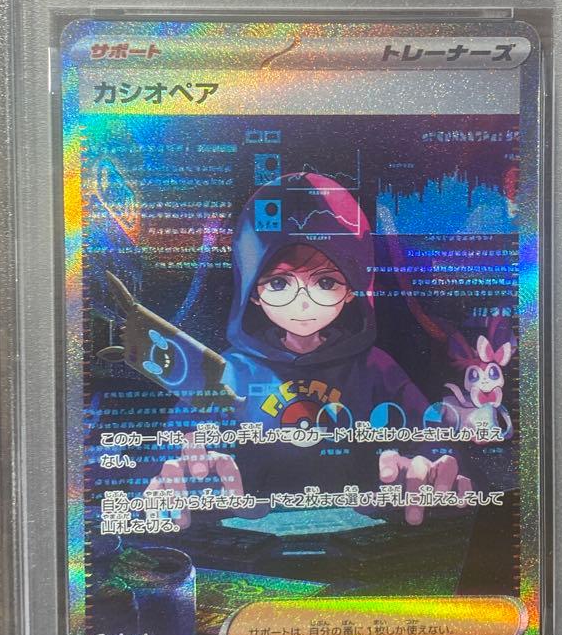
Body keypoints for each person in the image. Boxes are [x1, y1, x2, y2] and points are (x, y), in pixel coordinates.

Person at [106, 172, 474, 526]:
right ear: (253, 292)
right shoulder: (229, 372)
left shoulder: (374, 368)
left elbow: (439, 441)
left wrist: (434, 467)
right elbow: (157, 468)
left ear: (353, 291)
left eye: (325, 282)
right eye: (279, 283)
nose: (303, 302)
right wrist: (173, 484)